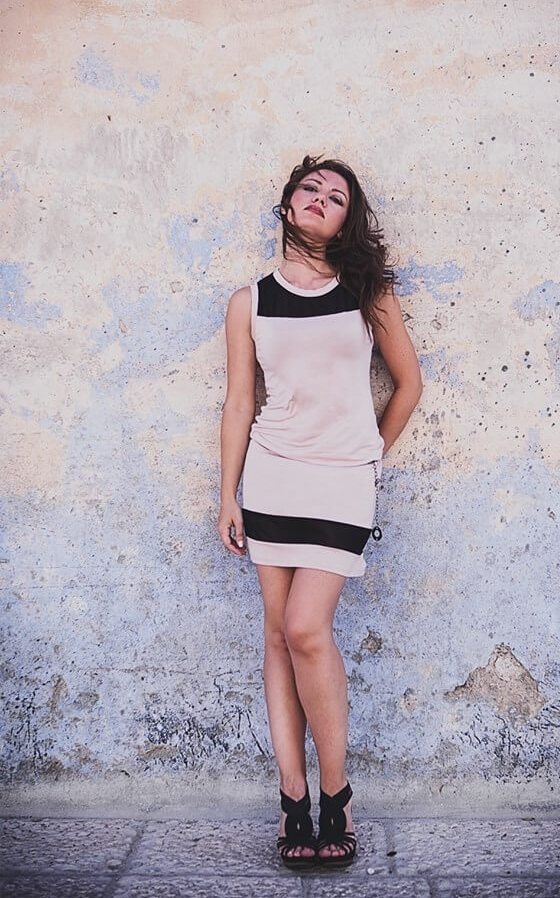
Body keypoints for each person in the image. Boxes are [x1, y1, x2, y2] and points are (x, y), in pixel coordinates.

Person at [218, 154, 423, 868]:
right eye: (310, 188)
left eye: (336, 197)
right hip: (271, 478)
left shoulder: (368, 292)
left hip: (341, 482)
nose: (320, 198)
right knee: (278, 637)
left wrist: (369, 456)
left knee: (307, 628)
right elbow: (239, 404)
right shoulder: (249, 302)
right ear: (287, 205)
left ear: (345, 222)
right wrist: (227, 495)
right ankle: (293, 800)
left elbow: (409, 384)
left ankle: (337, 793)